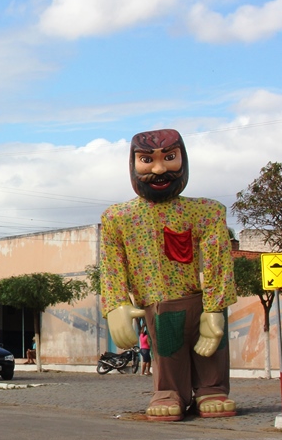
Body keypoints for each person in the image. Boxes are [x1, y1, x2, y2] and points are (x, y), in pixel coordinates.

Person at [100, 129, 236, 421]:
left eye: (170, 157)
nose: (159, 169)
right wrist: (115, 304)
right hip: (159, 302)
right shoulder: (118, 218)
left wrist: (215, 307)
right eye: (147, 160)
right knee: (168, 347)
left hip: (201, 298)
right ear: (133, 163)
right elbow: (112, 263)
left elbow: (218, 259)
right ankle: (169, 391)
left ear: (183, 158)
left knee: (212, 339)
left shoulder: (206, 211)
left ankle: (211, 388)